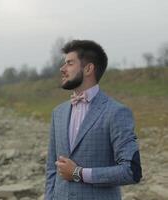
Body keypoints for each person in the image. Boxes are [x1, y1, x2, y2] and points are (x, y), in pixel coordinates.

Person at [45, 40, 142, 200]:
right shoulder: (58, 112)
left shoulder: (116, 112)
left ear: (88, 68)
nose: (62, 69)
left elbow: (131, 171)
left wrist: (79, 173)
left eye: (69, 63)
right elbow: (52, 169)